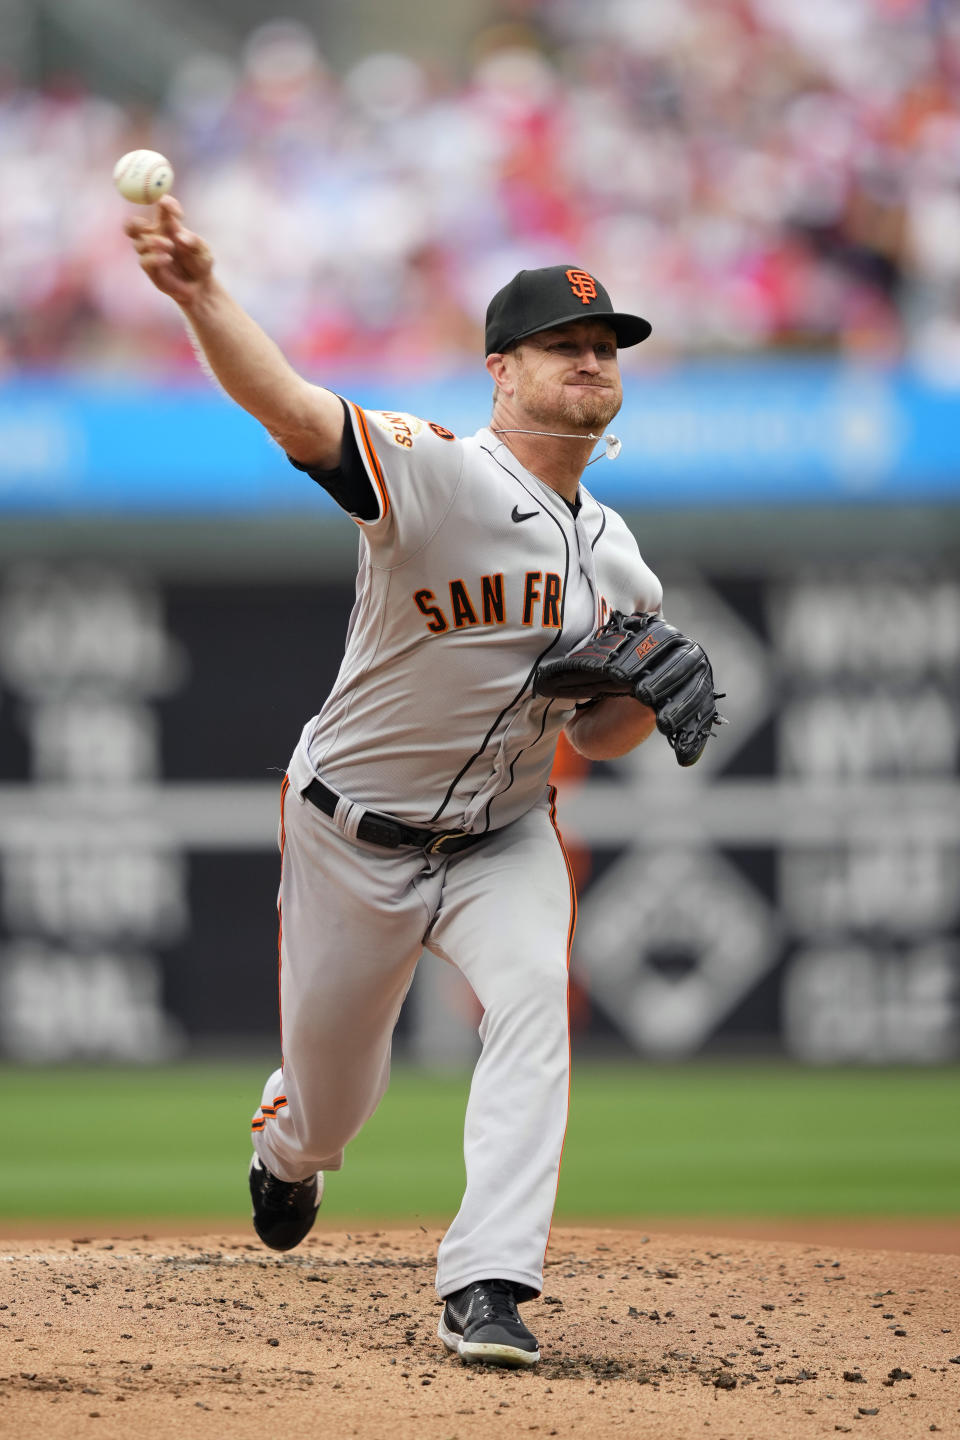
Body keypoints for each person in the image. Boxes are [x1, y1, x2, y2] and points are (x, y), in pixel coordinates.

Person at [125, 197, 664, 1368]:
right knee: (332, 1105)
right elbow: (291, 410)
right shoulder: (435, 476)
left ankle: (489, 1286)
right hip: (349, 834)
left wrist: (643, 704)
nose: (590, 359)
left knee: (531, 1011)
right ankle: (287, 1153)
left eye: (605, 345)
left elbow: (610, 736)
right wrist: (202, 293)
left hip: (504, 835)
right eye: (564, 344)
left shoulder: (620, 557)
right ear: (501, 372)